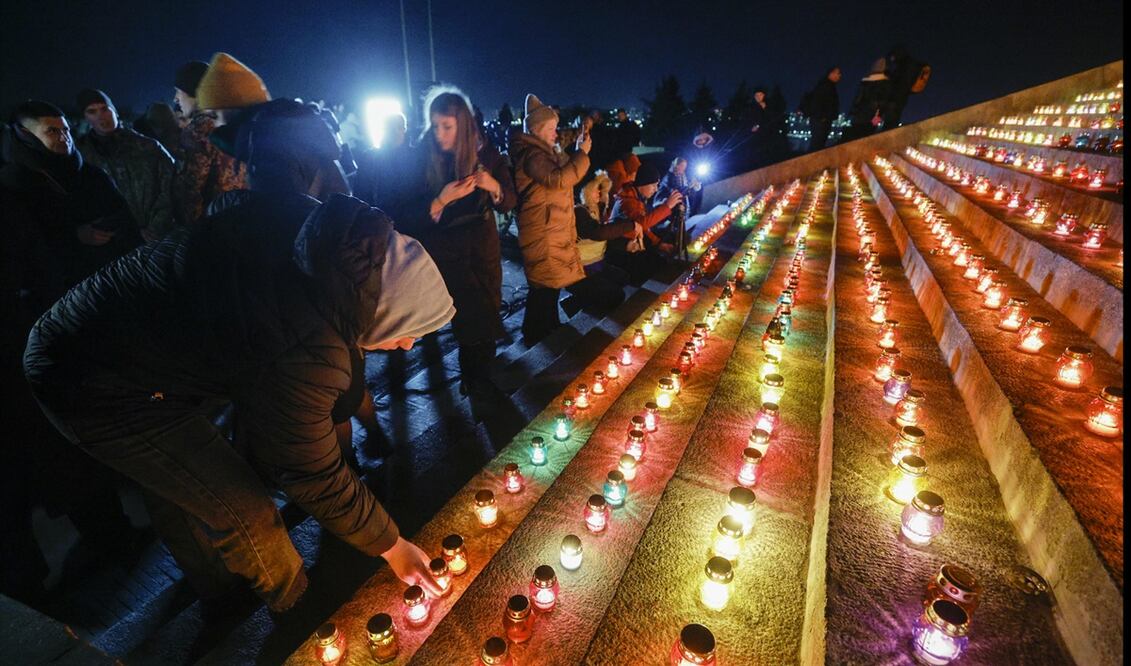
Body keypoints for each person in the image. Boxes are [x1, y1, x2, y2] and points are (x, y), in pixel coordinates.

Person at [23, 101, 453, 618]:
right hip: (90, 377)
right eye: (406, 333)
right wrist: (391, 545)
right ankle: (289, 605)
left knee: (188, 478)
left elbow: (232, 210)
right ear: (379, 308)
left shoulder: (318, 230)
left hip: (141, 339)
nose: (407, 346)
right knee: (240, 503)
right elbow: (309, 469)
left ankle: (215, 586)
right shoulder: (303, 340)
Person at [1, 101, 142, 605]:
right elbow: (34, 259)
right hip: (44, 330)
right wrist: (73, 240)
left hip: (91, 310)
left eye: (63, 129)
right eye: (48, 131)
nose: (60, 138)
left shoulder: (82, 172)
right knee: (57, 450)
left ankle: (115, 524)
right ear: (22, 134)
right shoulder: (20, 187)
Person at [381, 86, 517, 404]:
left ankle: (479, 377)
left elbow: (509, 200)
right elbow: (402, 214)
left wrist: (493, 185)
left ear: (464, 125)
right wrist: (440, 200)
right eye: (436, 125)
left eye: (448, 126)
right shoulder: (419, 157)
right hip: (445, 250)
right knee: (472, 319)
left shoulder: (486, 155)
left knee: (489, 309)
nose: (440, 134)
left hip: (483, 246)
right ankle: (477, 382)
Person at [76, 88, 177, 241]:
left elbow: (172, 186)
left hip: (153, 238)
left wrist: (157, 227)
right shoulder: (81, 155)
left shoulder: (149, 147)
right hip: (108, 238)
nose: (101, 116)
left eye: (105, 109)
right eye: (92, 111)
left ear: (114, 111)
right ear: (85, 117)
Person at [171, 55, 261, 224]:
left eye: (178, 91)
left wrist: (192, 234)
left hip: (214, 227)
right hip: (245, 220)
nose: (176, 98)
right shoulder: (237, 123)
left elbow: (189, 192)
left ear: (195, 93)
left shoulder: (197, 131)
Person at [608, 162, 682, 283]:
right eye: (653, 185)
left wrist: (658, 244)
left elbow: (643, 228)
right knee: (656, 265)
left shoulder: (636, 197)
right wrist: (667, 206)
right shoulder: (627, 202)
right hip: (621, 251)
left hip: (632, 245)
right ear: (643, 184)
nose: (656, 189)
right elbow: (642, 224)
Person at [575, 171, 636, 279]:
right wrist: (631, 225)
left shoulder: (598, 210)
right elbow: (598, 233)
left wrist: (626, 244)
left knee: (625, 277)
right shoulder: (579, 211)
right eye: (595, 189)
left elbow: (606, 237)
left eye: (600, 188)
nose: (599, 192)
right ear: (585, 191)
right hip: (582, 267)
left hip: (599, 262)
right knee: (614, 289)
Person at [845, 58, 893, 141]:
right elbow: (883, 103)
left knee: (853, 138)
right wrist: (878, 118)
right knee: (866, 139)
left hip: (858, 117)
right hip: (872, 118)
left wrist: (852, 113)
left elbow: (857, 100)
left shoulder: (864, 82)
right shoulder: (885, 84)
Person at [884, 45, 931, 129]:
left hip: (896, 98)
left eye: (893, 57)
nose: (892, 60)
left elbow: (901, 82)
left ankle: (883, 135)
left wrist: (889, 76)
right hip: (900, 98)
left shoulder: (905, 65)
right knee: (891, 118)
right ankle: (883, 132)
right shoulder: (908, 64)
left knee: (889, 120)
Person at [803, 66, 841, 151]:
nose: (839, 76)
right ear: (831, 74)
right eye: (838, 73)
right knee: (817, 144)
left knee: (818, 144)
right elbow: (818, 102)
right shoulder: (826, 86)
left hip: (822, 120)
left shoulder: (828, 85)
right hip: (820, 121)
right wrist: (822, 117)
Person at [657, 157, 702, 221]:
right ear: (677, 165)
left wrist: (694, 187)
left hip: (683, 208)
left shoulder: (683, 176)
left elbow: (687, 192)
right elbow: (676, 192)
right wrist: (689, 187)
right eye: (682, 165)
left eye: (685, 166)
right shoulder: (669, 177)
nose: (684, 168)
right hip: (671, 210)